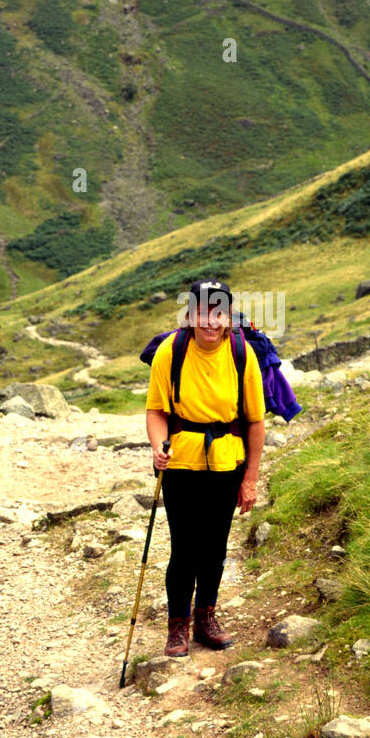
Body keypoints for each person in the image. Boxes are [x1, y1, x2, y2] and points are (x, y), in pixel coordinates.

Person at [145, 279, 265, 658]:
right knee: (184, 548)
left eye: (218, 312)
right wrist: (156, 448)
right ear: (189, 315)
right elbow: (156, 410)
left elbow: (256, 422)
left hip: (228, 461)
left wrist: (250, 480)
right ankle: (177, 625)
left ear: (228, 317)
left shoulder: (242, 353)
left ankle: (205, 618)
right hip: (180, 462)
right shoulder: (171, 351)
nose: (210, 321)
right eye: (202, 312)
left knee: (214, 547)